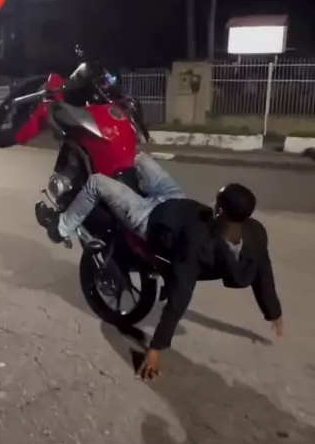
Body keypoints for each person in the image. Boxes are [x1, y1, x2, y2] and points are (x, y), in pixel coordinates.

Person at [36, 154, 283, 381]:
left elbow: (179, 297)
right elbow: (263, 269)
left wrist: (156, 349)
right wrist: (274, 312)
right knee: (136, 157)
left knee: (96, 183)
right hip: (176, 200)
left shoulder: (198, 245)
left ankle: (61, 228)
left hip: (148, 217)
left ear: (219, 211)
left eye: (217, 199)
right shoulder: (255, 232)